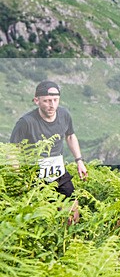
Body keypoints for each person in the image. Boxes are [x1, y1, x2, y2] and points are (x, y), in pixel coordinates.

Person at [10, 81, 88, 222]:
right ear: (36, 101)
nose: (52, 105)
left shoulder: (64, 115)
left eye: (55, 100)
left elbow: (70, 135)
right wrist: (18, 175)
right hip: (35, 175)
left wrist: (79, 161)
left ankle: (69, 239)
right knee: (43, 215)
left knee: (72, 208)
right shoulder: (26, 122)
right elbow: (13, 149)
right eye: (46, 101)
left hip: (58, 171)